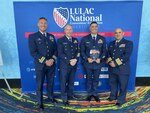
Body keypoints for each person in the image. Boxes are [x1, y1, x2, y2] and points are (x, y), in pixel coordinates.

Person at [28, 17, 57, 110]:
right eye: (41, 23)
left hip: (51, 64)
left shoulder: (51, 36)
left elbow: (56, 50)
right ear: (38, 24)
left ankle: (50, 97)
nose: (43, 25)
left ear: (47, 25)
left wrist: (52, 59)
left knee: (50, 82)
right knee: (39, 84)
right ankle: (40, 102)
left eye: (45, 23)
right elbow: (33, 52)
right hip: (41, 65)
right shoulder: (32, 36)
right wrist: (45, 61)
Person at [80, 21, 106, 102]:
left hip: (98, 63)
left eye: (96, 26)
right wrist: (87, 58)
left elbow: (104, 51)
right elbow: (82, 51)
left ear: (97, 28)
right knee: (88, 79)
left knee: (96, 79)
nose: (94, 28)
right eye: (92, 26)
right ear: (90, 28)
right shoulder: (84, 39)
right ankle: (89, 94)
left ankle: (94, 94)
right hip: (88, 63)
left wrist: (100, 58)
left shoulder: (102, 39)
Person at [107, 28, 133, 106]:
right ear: (114, 34)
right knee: (113, 84)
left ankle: (121, 100)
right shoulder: (111, 43)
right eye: (116, 33)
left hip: (123, 69)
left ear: (123, 33)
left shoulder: (128, 43)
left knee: (122, 85)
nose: (117, 34)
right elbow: (108, 54)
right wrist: (110, 61)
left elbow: (126, 56)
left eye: (119, 32)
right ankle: (113, 96)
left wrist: (115, 63)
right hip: (112, 68)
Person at [57, 24, 80, 106]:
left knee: (71, 81)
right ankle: (64, 98)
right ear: (64, 31)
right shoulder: (60, 40)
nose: (69, 31)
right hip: (65, 65)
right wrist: (69, 61)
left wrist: (76, 60)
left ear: (72, 30)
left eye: (70, 29)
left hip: (73, 65)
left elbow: (78, 52)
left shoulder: (75, 40)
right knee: (63, 82)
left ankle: (70, 95)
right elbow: (60, 53)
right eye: (67, 29)